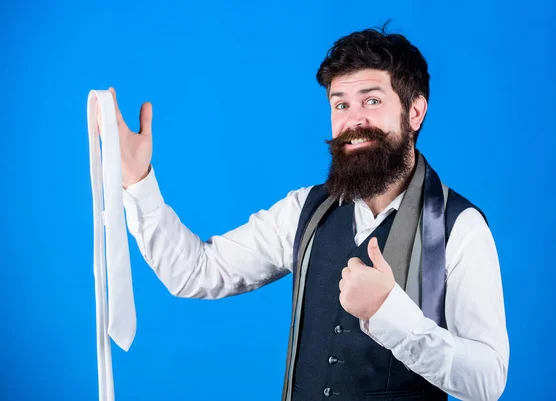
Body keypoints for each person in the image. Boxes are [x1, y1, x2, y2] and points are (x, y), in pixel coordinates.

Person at [114, 25, 509, 401]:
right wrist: (138, 181)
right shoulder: (306, 210)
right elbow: (196, 272)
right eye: (341, 104)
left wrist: (391, 313)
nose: (354, 120)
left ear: (415, 112)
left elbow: (487, 381)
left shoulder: (460, 229)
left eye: (372, 100)